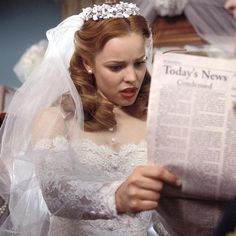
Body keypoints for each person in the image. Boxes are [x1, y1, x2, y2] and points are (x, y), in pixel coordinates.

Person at [0, 1, 181, 235]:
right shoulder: (55, 119)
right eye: (116, 67)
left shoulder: (156, 118)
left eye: (139, 63)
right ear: (87, 63)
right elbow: (56, 194)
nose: (132, 77)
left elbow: (162, 211)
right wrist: (116, 197)